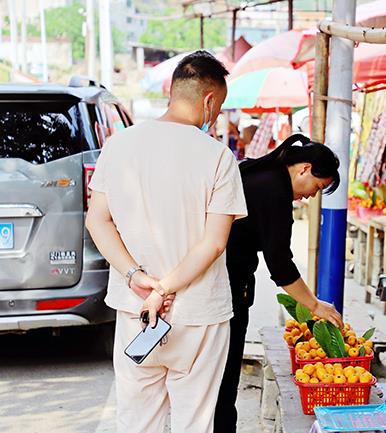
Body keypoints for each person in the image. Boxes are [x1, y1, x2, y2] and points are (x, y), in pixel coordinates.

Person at [86, 50, 247, 433]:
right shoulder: (218, 158)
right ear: (209, 101)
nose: (217, 116)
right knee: (194, 422)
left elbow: (97, 220)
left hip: (135, 311)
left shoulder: (119, 145)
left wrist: (136, 277)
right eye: (219, 107)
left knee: (138, 421)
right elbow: (214, 243)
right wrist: (167, 288)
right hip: (199, 316)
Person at [214, 133, 344, 433]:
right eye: (318, 187)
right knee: (225, 373)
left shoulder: (261, 174)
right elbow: (280, 263)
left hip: (222, 280)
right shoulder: (275, 191)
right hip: (227, 286)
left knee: (217, 374)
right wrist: (314, 304)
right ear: (304, 169)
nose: (312, 195)